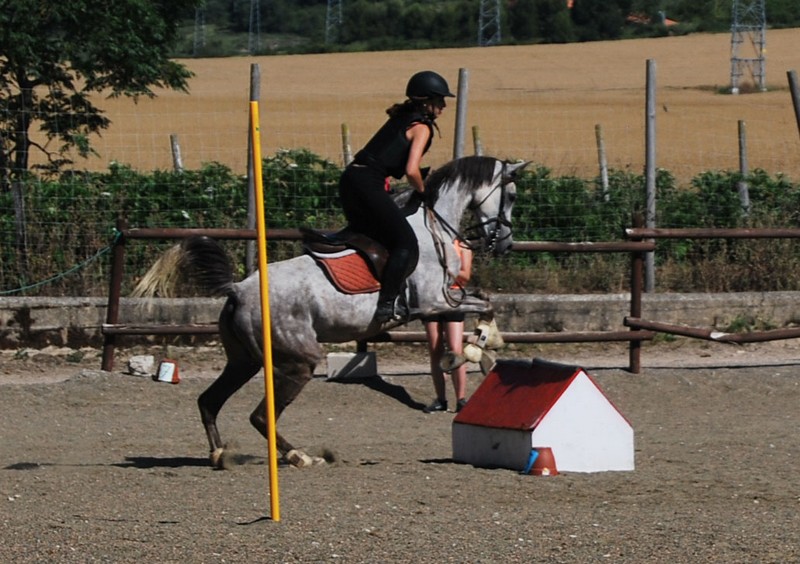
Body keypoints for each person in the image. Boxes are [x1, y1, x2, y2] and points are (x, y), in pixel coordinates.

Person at [338, 70, 454, 323]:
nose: (444, 107)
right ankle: (386, 305)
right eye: (440, 101)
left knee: (369, 236)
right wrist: (424, 192)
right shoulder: (421, 127)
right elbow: (412, 170)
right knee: (406, 243)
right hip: (368, 183)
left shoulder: (402, 117)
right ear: (426, 102)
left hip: (350, 180)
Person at [422, 240, 474, 413]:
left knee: (455, 350)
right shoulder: (431, 242)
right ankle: (441, 399)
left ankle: (461, 399)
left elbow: (465, 275)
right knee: (435, 349)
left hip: (453, 297)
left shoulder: (463, 246)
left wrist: (440, 271)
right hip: (432, 297)